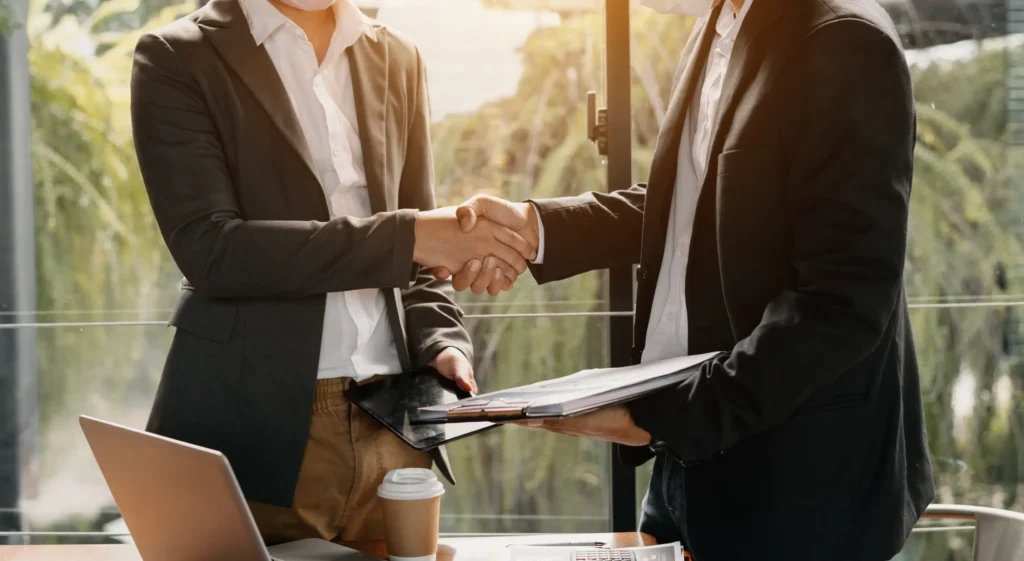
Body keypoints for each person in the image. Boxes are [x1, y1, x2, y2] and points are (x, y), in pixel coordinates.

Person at [435, 0, 935, 559]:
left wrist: (657, 417)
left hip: (799, 489)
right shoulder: (719, 22)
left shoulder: (845, 41)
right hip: (690, 468)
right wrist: (538, 229)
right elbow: (699, 203)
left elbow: (842, 305)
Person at [129, 0, 534, 544]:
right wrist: (409, 234)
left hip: (395, 426)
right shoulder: (178, 57)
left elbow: (419, 258)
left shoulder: (397, 55)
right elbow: (213, 252)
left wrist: (441, 339)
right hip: (254, 430)